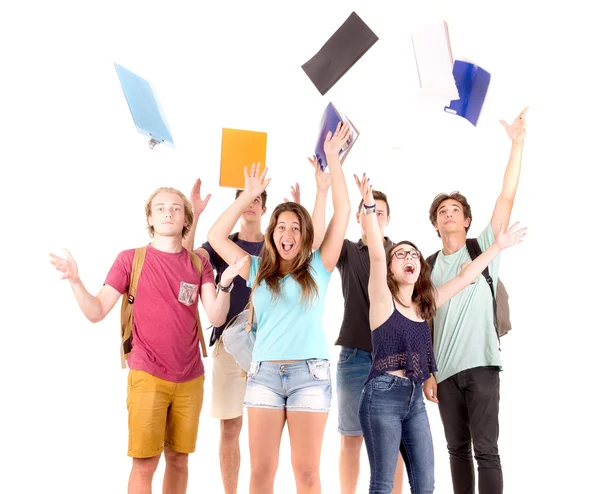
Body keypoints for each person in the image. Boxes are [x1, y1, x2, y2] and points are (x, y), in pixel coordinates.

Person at [50, 186, 246, 494]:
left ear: (186, 220)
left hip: (190, 377)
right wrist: (76, 281)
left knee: (180, 460)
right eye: (160, 208)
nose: (168, 212)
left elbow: (217, 317)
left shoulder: (199, 264)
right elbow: (97, 310)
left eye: (176, 208)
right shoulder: (130, 260)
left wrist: (224, 284)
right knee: (145, 463)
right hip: (147, 375)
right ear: (150, 219)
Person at [354, 174, 527, 494]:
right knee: (382, 481)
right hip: (382, 394)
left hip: (413, 398)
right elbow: (377, 252)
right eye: (400, 254)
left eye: (412, 254)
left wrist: (497, 247)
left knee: (425, 484)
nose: (407, 257)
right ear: (390, 269)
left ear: (420, 267)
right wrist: (368, 208)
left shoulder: (424, 304)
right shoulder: (381, 298)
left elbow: (465, 277)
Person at [206, 122, 352, 494]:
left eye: (294, 228)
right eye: (280, 227)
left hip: (309, 375)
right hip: (264, 377)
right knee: (261, 474)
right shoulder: (255, 270)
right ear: (272, 234)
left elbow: (344, 209)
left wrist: (333, 162)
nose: (287, 234)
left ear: (303, 236)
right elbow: (216, 236)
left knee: (306, 473)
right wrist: (248, 195)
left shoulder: (320, 267)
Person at [423, 107, 528, 494]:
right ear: (435, 224)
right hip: (445, 373)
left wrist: (517, 144)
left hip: (483, 365)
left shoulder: (484, 247)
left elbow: (507, 195)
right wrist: (428, 372)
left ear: (467, 220)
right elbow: (421, 324)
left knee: (487, 451)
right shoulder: (427, 266)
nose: (448, 215)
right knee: (456, 451)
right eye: (442, 212)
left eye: (455, 211)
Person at [333, 187, 407, 494]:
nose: (374, 217)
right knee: (351, 438)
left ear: (388, 219)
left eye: (379, 212)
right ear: (359, 219)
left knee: (395, 440)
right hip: (353, 357)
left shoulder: (402, 255)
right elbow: (321, 238)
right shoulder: (348, 251)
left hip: (394, 360)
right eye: (368, 212)